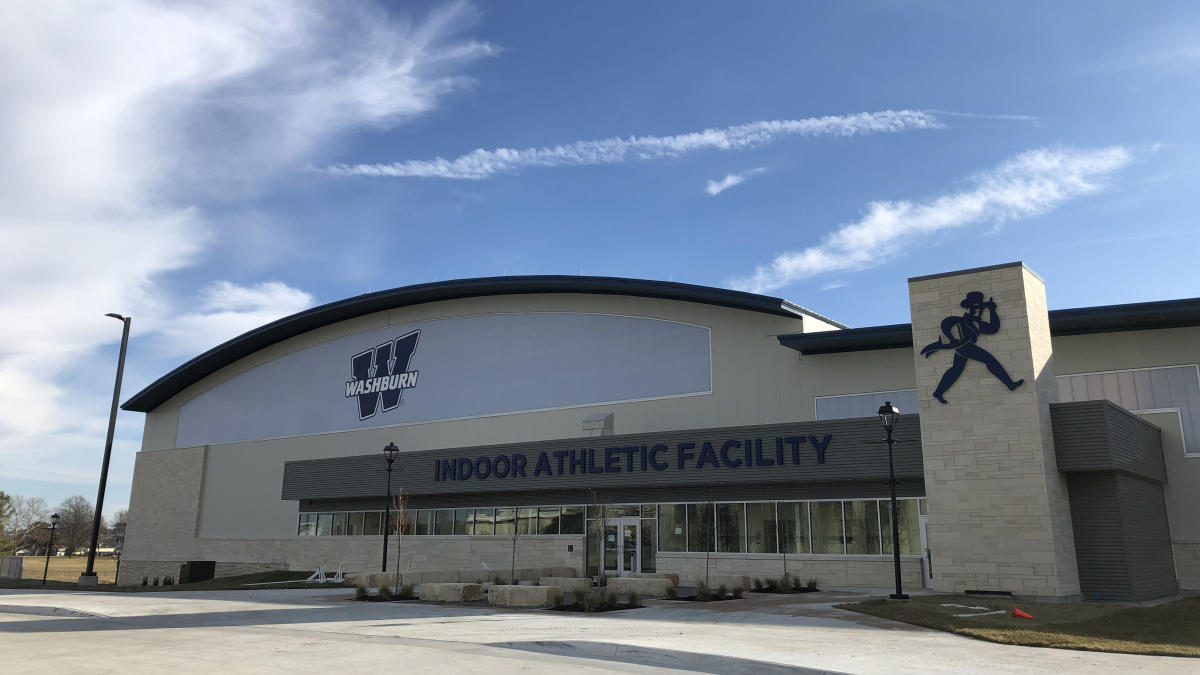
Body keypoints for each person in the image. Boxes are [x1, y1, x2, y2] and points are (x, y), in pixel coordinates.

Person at [921, 291, 1024, 404]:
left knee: (956, 369)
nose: (978, 311)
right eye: (976, 308)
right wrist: (940, 345)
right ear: (969, 308)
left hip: (963, 348)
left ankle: (938, 392)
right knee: (989, 360)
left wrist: (992, 310)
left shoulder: (974, 323)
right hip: (964, 347)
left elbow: (993, 328)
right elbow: (948, 333)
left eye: (980, 308)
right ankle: (1010, 384)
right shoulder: (960, 322)